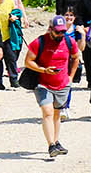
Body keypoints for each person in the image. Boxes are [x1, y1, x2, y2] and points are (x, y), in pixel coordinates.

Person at [23, 15, 78, 158]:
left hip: (62, 84)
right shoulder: (39, 42)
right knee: (47, 112)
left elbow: (76, 57)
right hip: (43, 83)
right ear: (51, 29)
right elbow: (28, 62)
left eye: (63, 31)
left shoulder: (69, 41)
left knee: (56, 114)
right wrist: (43, 70)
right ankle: (51, 145)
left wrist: (70, 78)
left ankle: (56, 140)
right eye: (58, 31)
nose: (60, 34)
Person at [0, 0, 25, 87]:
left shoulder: (10, 2)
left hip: (8, 34)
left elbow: (17, 13)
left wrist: (14, 18)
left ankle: (14, 80)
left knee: (11, 58)